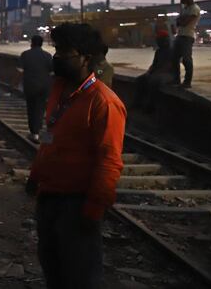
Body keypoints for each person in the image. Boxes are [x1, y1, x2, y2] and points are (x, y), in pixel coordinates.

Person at [26, 23, 126, 289]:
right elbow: (50, 138)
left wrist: (93, 208)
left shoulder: (103, 102)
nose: (57, 56)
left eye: (64, 51)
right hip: (50, 197)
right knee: (52, 266)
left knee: (80, 275)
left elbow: (110, 160)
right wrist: (36, 174)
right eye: (56, 49)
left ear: (86, 58)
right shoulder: (59, 90)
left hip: (77, 203)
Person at [18, 35, 53, 143]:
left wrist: (14, 83)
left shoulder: (25, 55)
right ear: (42, 44)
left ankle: (33, 132)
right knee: (40, 109)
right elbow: (52, 73)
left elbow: (20, 71)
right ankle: (36, 132)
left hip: (30, 86)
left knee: (31, 108)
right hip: (43, 87)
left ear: (31, 43)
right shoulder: (47, 56)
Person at [132, 29, 174, 113]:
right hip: (158, 73)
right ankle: (137, 103)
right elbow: (154, 64)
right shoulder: (158, 51)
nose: (158, 42)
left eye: (159, 40)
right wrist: (149, 72)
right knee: (140, 80)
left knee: (154, 81)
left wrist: (154, 73)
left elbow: (169, 66)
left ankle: (151, 106)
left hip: (170, 74)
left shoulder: (172, 51)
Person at [173, 0, 200, 88]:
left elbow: (183, 22)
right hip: (180, 36)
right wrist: (180, 20)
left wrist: (180, 20)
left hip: (187, 36)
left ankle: (187, 82)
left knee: (186, 59)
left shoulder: (194, 9)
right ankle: (176, 80)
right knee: (175, 59)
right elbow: (178, 22)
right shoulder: (186, 9)